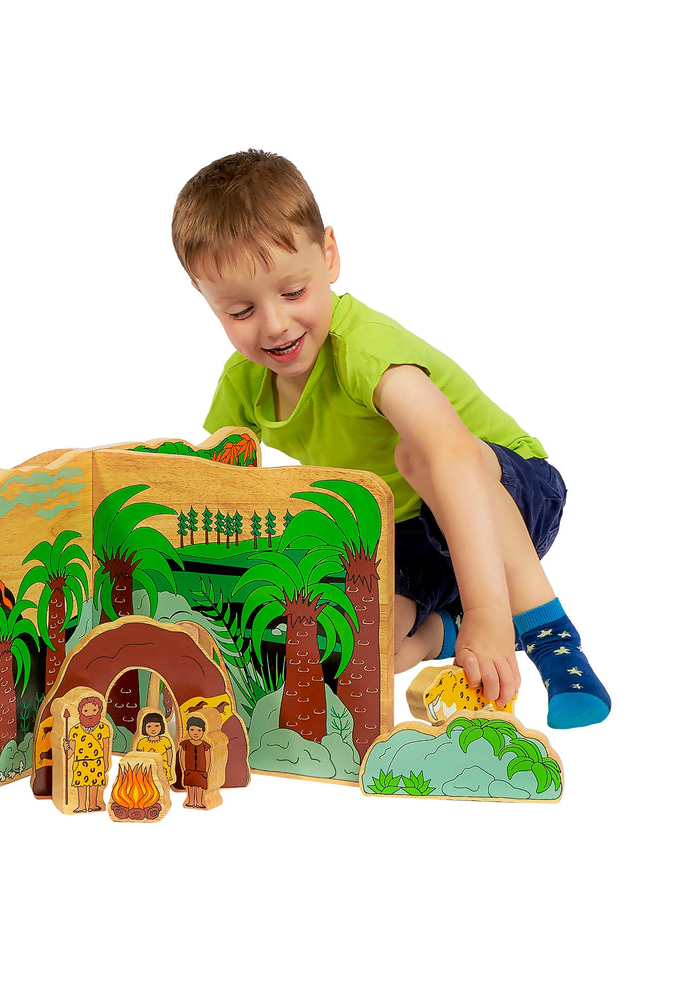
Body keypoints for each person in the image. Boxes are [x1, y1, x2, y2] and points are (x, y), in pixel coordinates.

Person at [172, 149, 610, 729]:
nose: (274, 324)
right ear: (203, 296)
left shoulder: (364, 350)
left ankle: (549, 637)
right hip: (405, 533)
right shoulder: (243, 383)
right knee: (357, 641)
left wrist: (488, 609)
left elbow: (452, 453)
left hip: (507, 494)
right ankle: (441, 633)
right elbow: (217, 485)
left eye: (294, 292)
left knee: (417, 453)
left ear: (329, 254)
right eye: (241, 310)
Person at [62, 695, 112, 812]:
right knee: (81, 785)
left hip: (97, 762)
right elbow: (70, 753)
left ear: (99, 710)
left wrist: (106, 762)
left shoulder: (104, 728)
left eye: (94, 710)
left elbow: (106, 747)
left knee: (95, 785)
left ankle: (93, 804)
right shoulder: (75, 730)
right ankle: (81, 806)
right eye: (86, 711)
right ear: (80, 712)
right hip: (80, 763)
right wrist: (65, 748)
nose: (90, 714)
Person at [178, 716, 212, 808]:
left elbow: (208, 758)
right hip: (189, 770)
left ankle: (200, 802)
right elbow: (182, 756)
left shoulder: (205, 745)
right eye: (192, 729)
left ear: (203, 731)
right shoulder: (185, 744)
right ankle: (191, 801)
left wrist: (207, 771)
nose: (195, 733)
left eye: (199, 730)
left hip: (201, 771)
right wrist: (184, 769)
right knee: (190, 786)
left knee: (200, 787)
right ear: (187, 730)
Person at [135, 711, 175, 784]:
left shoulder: (165, 740)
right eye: (149, 726)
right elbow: (139, 756)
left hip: (163, 768)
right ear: (144, 727)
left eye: (157, 726)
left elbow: (169, 752)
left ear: (162, 726)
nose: (153, 729)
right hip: (147, 768)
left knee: (162, 783)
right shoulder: (142, 742)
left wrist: (169, 764)